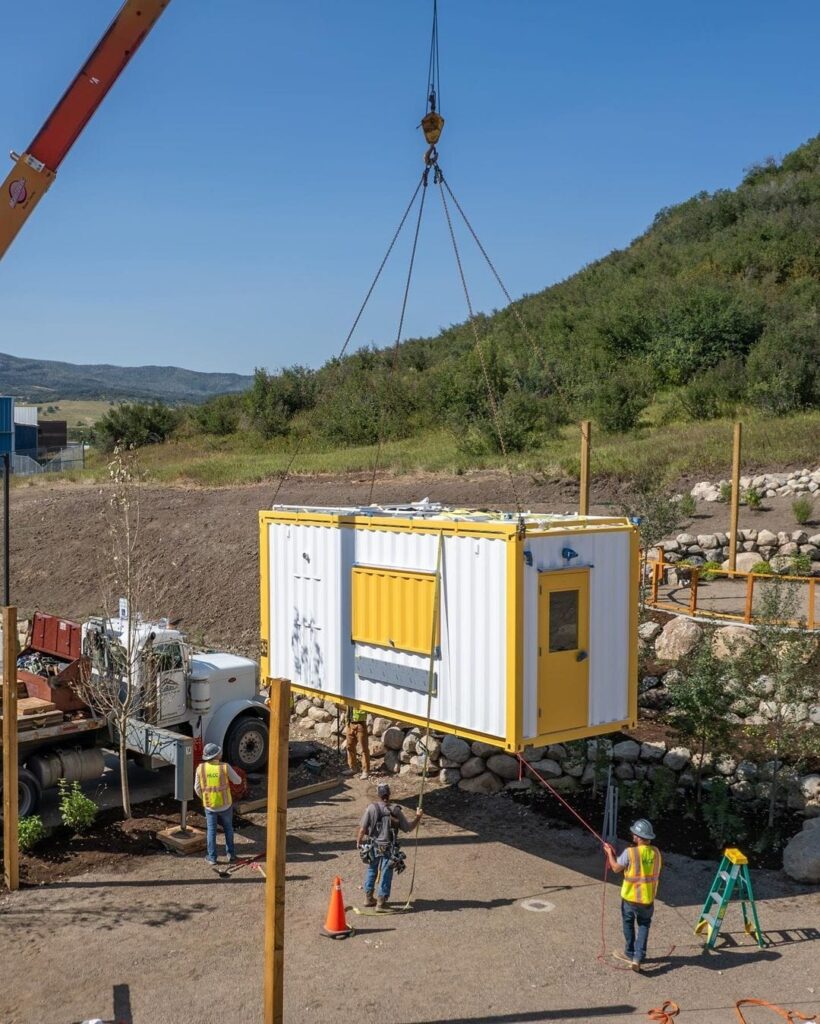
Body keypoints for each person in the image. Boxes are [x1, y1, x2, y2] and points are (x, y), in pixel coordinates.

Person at [604, 818, 663, 972]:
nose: (632, 836)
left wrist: (609, 853)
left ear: (638, 836)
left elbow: (616, 868)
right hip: (648, 898)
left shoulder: (630, 852)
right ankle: (638, 957)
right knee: (644, 925)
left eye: (634, 834)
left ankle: (630, 953)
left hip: (630, 898)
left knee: (628, 923)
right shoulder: (656, 852)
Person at [356, 783, 423, 909]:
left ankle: (368, 898)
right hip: (390, 847)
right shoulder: (395, 810)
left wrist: (359, 841)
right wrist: (418, 817)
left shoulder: (371, 808)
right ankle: (381, 901)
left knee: (371, 869)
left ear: (378, 794)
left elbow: (363, 829)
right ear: (389, 794)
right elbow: (408, 828)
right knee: (386, 872)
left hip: (373, 846)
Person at [195, 743, 242, 866]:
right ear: (217, 755)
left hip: (210, 806)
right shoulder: (225, 767)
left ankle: (212, 858)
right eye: (219, 752)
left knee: (211, 831)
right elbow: (238, 781)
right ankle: (231, 855)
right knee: (228, 829)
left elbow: (197, 788)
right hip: (225, 805)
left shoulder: (201, 768)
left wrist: (205, 798)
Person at [345, 705, 370, 780]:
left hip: (360, 723)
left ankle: (365, 771)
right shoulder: (349, 695)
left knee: (364, 749)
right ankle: (352, 768)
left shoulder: (361, 695)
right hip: (350, 723)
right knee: (349, 746)